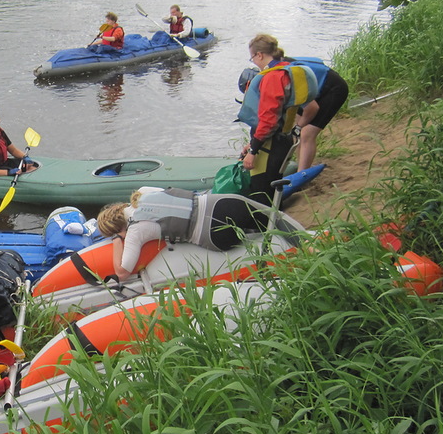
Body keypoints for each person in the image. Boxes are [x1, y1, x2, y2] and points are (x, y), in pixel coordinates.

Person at [96, 187, 283, 280]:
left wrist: (118, 241)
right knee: (275, 224)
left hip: (216, 234)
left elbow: (122, 273)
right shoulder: (143, 192)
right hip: (227, 204)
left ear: (119, 229)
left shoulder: (136, 230)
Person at [235, 34, 318, 217]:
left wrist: (253, 151)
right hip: (284, 139)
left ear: (259, 55)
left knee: (260, 191)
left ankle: (267, 234)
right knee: (273, 187)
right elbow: (312, 107)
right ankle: (274, 225)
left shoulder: (272, 77)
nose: (255, 63)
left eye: (253, 58)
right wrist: (253, 143)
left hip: (270, 145)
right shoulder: (287, 69)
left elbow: (268, 120)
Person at [294, 58, 349, 171]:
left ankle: (301, 174)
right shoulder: (274, 66)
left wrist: (299, 127)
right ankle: (300, 166)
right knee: (295, 130)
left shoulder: (286, 78)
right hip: (315, 89)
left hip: (333, 88)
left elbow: (312, 108)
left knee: (306, 133)